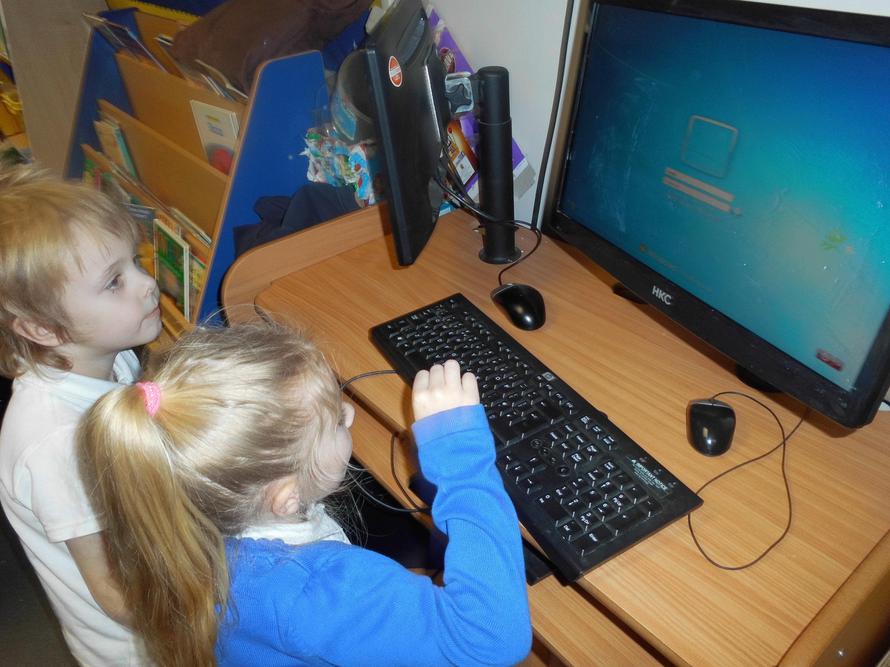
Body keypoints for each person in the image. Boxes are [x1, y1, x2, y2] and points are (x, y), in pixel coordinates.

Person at [78, 320, 532, 666]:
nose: (351, 416)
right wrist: (461, 463)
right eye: (335, 421)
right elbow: (493, 639)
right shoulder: (317, 590)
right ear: (285, 499)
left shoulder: (186, 526)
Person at [0, 165, 161, 665]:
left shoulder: (111, 356)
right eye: (114, 282)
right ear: (44, 330)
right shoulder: (58, 441)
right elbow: (114, 591)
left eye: (135, 262)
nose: (148, 284)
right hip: (146, 645)